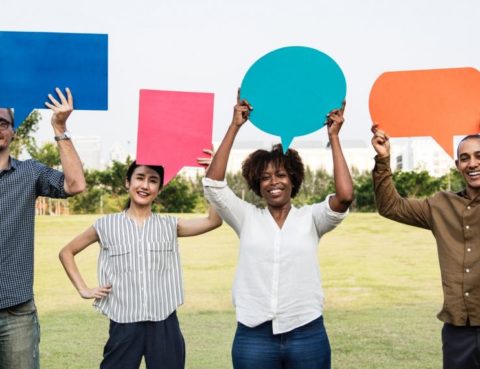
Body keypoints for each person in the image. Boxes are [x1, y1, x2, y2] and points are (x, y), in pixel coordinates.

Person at [202, 91, 354, 369]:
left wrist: (334, 137)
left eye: (281, 175)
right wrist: (235, 125)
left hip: (306, 331)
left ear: (293, 179)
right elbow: (213, 185)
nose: (274, 182)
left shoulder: (311, 218)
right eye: (265, 177)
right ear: (257, 184)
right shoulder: (246, 217)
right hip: (253, 334)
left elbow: (344, 197)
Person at [59, 157, 222, 369]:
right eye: (140, 178)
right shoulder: (106, 225)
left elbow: (214, 221)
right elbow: (67, 252)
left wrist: (212, 176)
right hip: (124, 325)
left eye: (153, 180)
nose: (145, 185)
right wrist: (83, 289)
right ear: (128, 182)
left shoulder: (171, 226)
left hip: (164, 323)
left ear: (159, 189)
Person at [371, 126, 480, 369]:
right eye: (465, 158)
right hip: (458, 331)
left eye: (478, 156)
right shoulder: (440, 206)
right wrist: (383, 159)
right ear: (457, 165)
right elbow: (391, 207)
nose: (472, 163)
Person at [0, 88, 85, 369]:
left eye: (2, 123)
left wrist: (59, 127)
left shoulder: (29, 173)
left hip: (16, 311)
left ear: (13, 131)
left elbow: (75, 185)